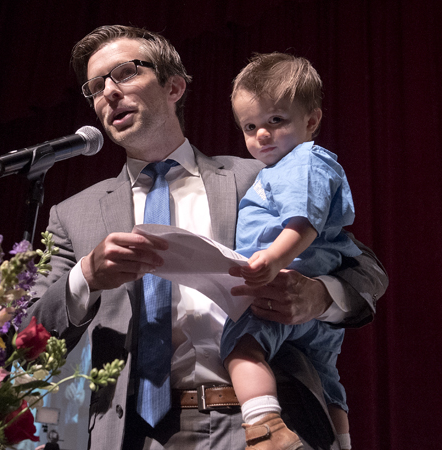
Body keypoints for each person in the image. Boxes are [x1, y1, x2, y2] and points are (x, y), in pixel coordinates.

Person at [24, 25, 388, 450]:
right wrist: (84, 276)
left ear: (174, 86)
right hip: (131, 436)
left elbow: (366, 269)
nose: (108, 92)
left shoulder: (259, 175)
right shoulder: (72, 215)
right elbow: (28, 330)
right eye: (95, 86)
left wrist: (319, 296)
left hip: (264, 424)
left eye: (124, 73)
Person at [221, 53, 359, 450]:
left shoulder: (302, 161)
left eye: (275, 121)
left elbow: (304, 221)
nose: (261, 135)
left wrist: (274, 259)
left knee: (241, 345)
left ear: (311, 121)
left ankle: (266, 430)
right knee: (325, 377)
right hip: (307, 310)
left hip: (279, 286)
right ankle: (342, 442)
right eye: (250, 127)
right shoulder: (291, 165)